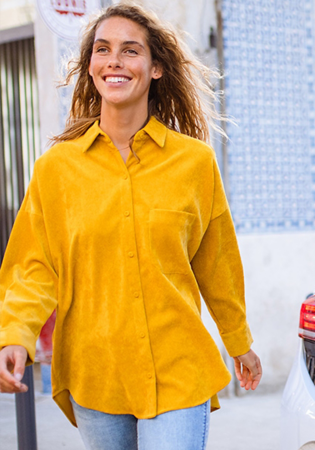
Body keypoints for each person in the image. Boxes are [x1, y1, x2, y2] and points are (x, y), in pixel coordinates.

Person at [0, 3, 261, 449]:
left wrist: (238, 340)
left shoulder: (193, 162)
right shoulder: (57, 169)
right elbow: (35, 263)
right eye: (103, 50)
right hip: (95, 369)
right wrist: (16, 333)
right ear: (91, 68)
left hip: (179, 367)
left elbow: (216, 261)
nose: (114, 61)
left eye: (130, 50)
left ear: (156, 68)